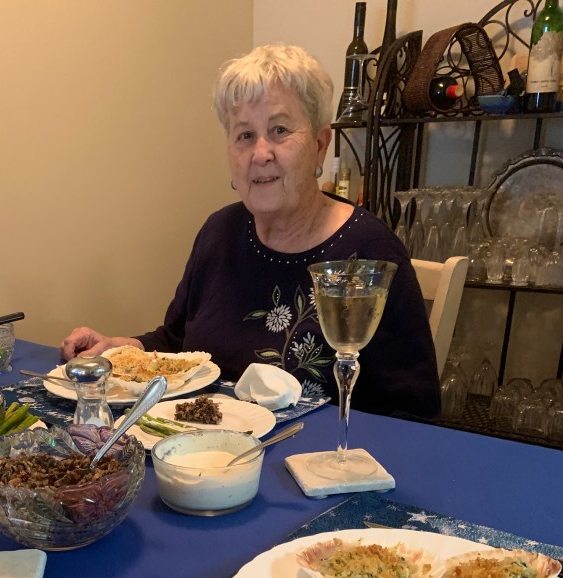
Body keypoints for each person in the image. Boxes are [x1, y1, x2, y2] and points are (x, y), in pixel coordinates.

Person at [61, 44, 440, 418]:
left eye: (279, 130)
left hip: (314, 454)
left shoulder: (370, 255)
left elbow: (413, 413)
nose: (260, 154)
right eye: (244, 135)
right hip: (204, 449)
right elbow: (177, 343)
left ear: (320, 146)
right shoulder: (218, 233)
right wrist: (119, 348)